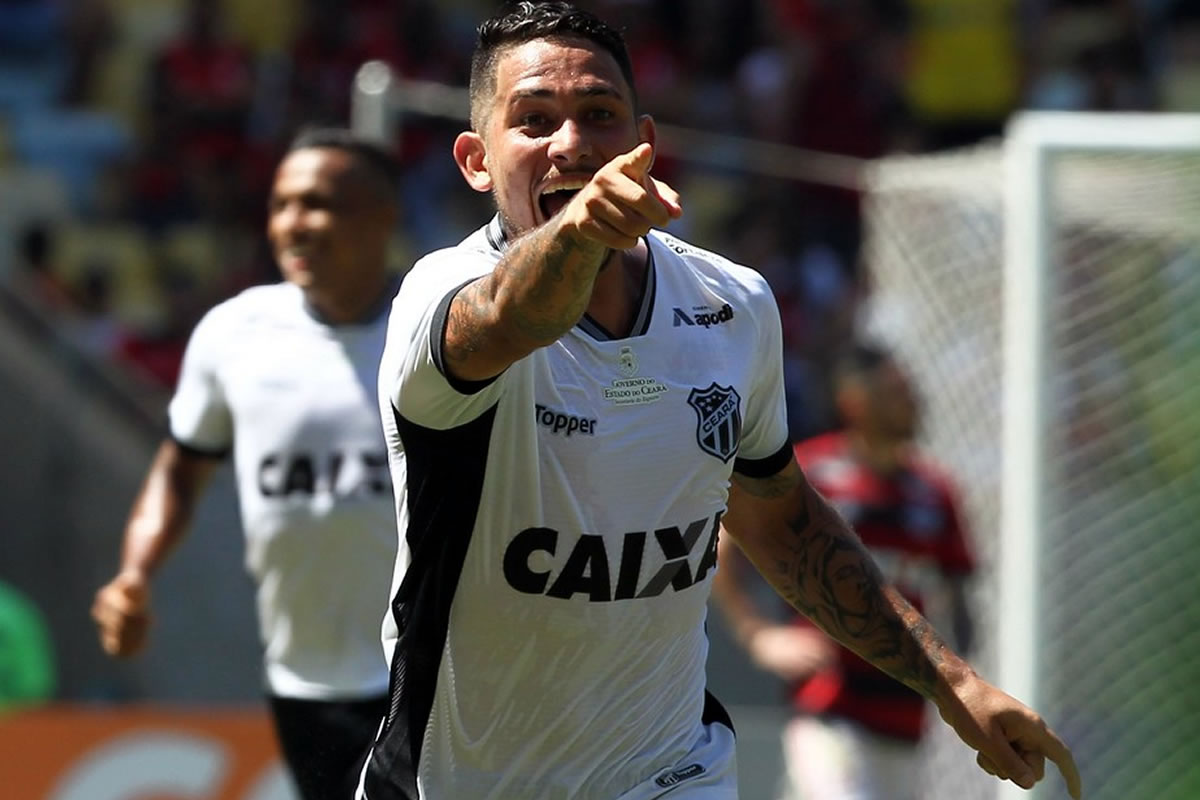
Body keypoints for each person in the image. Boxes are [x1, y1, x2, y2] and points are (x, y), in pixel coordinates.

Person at [362, 4, 1082, 799]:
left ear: (642, 143)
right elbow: (511, 317)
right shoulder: (439, 296)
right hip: (465, 779)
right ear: (476, 161)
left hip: (670, 771)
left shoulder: (731, 303)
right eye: (534, 120)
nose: (570, 144)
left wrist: (954, 683)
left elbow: (781, 521)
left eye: (598, 115)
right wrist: (579, 234)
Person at [91, 128, 401, 800]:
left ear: (384, 216)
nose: (294, 223)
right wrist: (135, 574)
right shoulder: (235, 334)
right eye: (281, 204)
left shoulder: (440, 331)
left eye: (319, 203)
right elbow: (180, 470)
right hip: (303, 681)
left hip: (430, 675)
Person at [712, 342, 976, 800]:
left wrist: (963, 685)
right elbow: (725, 544)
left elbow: (960, 606)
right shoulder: (811, 472)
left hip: (907, 718)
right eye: (896, 392)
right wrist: (758, 635)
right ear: (855, 401)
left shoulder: (935, 492)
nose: (914, 402)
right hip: (831, 712)